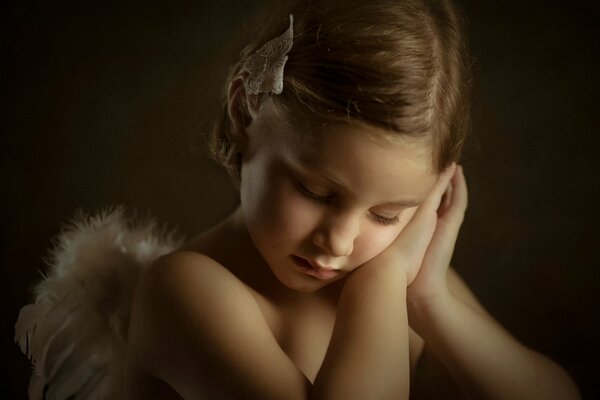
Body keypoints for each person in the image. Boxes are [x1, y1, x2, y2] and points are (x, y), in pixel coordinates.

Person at [17, 0, 577, 399]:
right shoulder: (187, 290)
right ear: (244, 112)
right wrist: (381, 282)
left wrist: (431, 300)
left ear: (433, 197)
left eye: (387, 214)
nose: (339, 240)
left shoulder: (408, 277)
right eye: (314, 190)